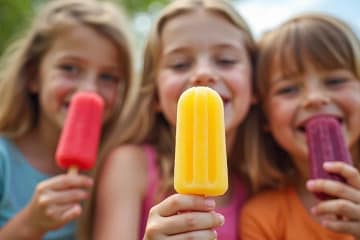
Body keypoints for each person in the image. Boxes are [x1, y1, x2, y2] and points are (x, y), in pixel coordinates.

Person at [90, 0, 257, 239]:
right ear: (155, 94)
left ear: (256, 86)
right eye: (180, 64)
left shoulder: (260, 184)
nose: (203, 73)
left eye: (226, 60)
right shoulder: (130, 166)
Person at [0, 0, 137, 239]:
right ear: (33, 75)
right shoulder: (4, 160)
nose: (89, 89)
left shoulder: (114, 167)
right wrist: (31, 223)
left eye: (108, 77)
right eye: (70, 68)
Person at [240, 13, 360, 240]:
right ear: (265, 118)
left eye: (335, 81)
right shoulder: (262, 217)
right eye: (288, 89)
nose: (314, 98)